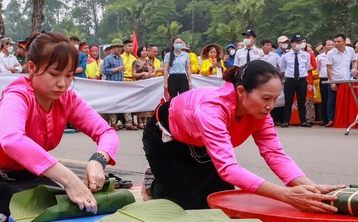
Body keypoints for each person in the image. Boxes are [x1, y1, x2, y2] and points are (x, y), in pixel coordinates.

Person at [142, 59, 342, 212]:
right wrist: (286, 195)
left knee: (220, 202)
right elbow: (228, 168)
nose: (271, 107)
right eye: (265, 98)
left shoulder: (261, 114)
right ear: (241, 91)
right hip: (166, 139)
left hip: (203, 143)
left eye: (274, 99)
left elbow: (275, 154)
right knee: (180, 209)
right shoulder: (212, 109)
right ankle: (153, 182)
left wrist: (313, 189)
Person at [0, 31, 119, 219]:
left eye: (69, 75)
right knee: (36, 213)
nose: (62, 84)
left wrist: (98, 160)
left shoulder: (67, 98)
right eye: (54, 74)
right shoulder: (17, 95)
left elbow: (106, 132)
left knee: (74, 206)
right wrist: (69, 179)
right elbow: (12, 140)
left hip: (29, 174)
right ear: (32, 67)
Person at [279, 34, 312, 128]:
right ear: (292, 44)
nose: (300, 44)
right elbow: (283, 68)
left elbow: (306, 67)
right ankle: (286, 121)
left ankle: (304, 121)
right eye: (298, 42)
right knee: (288, 101)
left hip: (301, 80)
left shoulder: (306, 55)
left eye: (301, 42)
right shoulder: (286, 56)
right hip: (290, 80)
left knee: (302, 102)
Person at [326, 33, 358, 127]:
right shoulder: (331, 53)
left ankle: (346, 119)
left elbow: (354, 60)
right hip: (335, 79)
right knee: (332, 100)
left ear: (344, 42)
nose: (336, 43)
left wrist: (355, 68)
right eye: (335, 41)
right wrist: (332, 82)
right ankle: (330, 119)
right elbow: (329, 68)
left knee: (345, 101)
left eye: (338, 41)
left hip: (347, 80)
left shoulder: (350, 50)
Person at [102, 39, 125, 130]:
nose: (119, 49)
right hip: (111, 85)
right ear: (112, 48)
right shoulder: (108, 58)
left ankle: (120, 122)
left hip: (120, 84)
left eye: (120, 47)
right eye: (117, 47)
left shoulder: (121, 58)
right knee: (112, 104)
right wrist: (117, 69)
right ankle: (113, 123)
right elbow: (105, 71)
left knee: (119, 104)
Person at [132, 45, 154, 129]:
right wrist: (142, 74)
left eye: (146, 50)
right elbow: (133, 74)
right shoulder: (136, 62)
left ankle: (145, 120)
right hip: (139, 84)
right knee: (140, 102)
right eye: (143, 50)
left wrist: (150, 74)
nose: (144, 52)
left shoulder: (150, 62)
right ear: (139, 52)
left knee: (147, 101)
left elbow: (154, 72)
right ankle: (140, 120)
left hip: (148, 84)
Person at [317, 39, 334, 126]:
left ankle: (333, 118)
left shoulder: (336, 55)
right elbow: (318, 68)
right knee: (324, 99)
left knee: (332, 100)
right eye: (328, 45)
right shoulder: (320, 57)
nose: (330, 46)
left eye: (332, 44)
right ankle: (324, 119)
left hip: (334, 79)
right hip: (324, 79)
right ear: (324, 47)